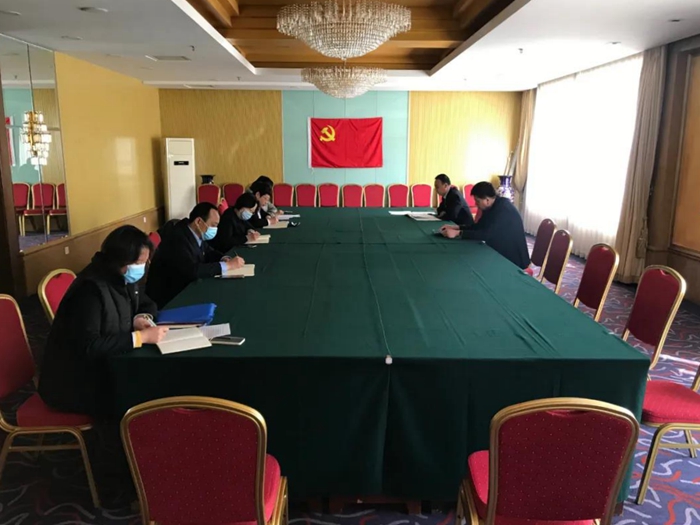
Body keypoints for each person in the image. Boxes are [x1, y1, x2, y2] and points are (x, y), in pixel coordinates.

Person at [38, 226, 170, 417]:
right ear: (121, 260)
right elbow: (89, 346)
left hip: (107, 365)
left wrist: (140, 317)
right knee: (150, 392)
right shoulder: (90, 290)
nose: (142, 268)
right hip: (76, 382)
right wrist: (140, 338)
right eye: (139, 263)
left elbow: (146, 303)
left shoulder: (123, 277)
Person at [147, 203, 245, 308]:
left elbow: (208, 250)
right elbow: (192, 270)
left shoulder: (192, 231)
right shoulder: (177, 238)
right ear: (198, 221)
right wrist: (227, 266)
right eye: (213, 225)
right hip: (170, 297)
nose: (215, 229)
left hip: (185, 286)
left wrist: (224, 258)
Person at [440, 181, 529, 269]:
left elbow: (485, 234)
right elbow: (479, 226)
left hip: (513, 261)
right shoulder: (492, 206)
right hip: (500, 251)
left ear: (487, 200)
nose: (476, 204)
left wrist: (458, 233)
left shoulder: (503, 209)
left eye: (477, 201)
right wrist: (457, 227)